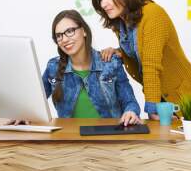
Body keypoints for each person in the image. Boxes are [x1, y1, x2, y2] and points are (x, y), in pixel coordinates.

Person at [91, 0, 191, 120]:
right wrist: (119, 52)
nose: (103, 4)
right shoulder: (123, 23)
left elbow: (150, 64)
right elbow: (137, 49)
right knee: (161, 140)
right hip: (159, 92)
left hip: (179, 93)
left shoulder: (152, 14)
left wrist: (152, 106)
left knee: (181, 142)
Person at [10, 9, 141, 126]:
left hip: (109, 140)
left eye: (70, 31)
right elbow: (34, 101)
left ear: (84, 31)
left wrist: (131, 112)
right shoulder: (53, 67)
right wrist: (23, 113)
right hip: (69, 142)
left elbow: (130, 101)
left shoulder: (110, 62)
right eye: (59, 35)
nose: (64, 39)